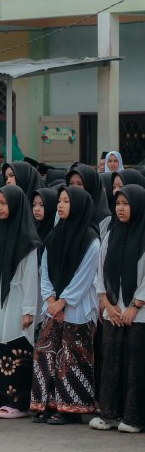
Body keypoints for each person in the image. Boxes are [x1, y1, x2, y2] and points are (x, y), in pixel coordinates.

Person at [31, 185, 100, 424]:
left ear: (79, 205)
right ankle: (47, 404)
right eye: (59, 201)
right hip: (54, 308)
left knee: (71, 358)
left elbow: (85, 276)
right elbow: (46, 271)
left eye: (66, 201)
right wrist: (51, 300)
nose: (60, 205)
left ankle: (70, 407)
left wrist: (63, 302)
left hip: (77, 308)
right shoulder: (53, 236)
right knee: (46, 353)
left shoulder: (91, 240)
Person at [0, 185, 40, 419]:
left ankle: (16, 401)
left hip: (17, 300)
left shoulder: (27, 240)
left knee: (14, 345)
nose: (0, 208)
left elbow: (30, 279)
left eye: (4, 203)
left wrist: (28, 310)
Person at [91, 185, 145, 432]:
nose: (120, 208)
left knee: (134, 365)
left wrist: (135, 306)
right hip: (113, 310)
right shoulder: (112, 234)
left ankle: (133, 417)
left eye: (126, 203)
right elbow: (100, 270)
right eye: (118, 203)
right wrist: (108, 304)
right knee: (111, 362)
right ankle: (109, 413)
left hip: (139, 313)